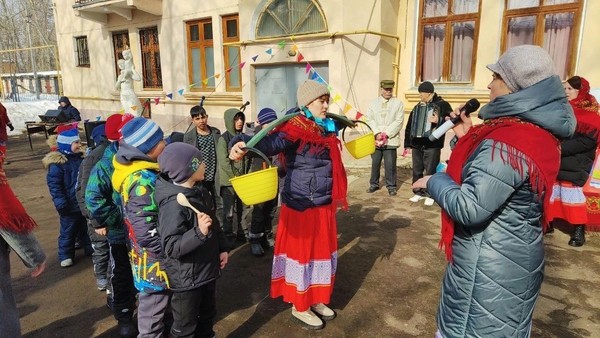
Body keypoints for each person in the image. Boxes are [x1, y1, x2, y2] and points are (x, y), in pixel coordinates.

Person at [412, 45, 575, 337]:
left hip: (488, 268)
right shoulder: (532, 132)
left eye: (496, 76)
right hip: (512, 258)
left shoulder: (508, 141)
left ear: (514, 87)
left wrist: (434, 181)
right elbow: (494, 177)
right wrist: (466, 135)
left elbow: (470, 207)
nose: (488, 84)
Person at [229, 80, 348, 330]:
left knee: (320, 255)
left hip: (322, 202)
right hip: (301, 203)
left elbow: (348, 125)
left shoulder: (326, 126)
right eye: (320, 101)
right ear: (307, 103)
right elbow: (269, 143)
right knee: (303, 255)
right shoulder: (294, 126)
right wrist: (242, 144)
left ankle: (315, 298)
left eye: (327, 100)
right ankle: (300, 305)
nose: (326, 105)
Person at [155, 142, 229, 338]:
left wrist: (222, 248)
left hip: (207, 271)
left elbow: (214, 223)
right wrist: (198, 233)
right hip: (186, 279)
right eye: (200, 163)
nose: (205, 165)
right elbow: (171, 246)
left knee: (207, 315)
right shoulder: (173, 205)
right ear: (187, 170)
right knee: (185, 326)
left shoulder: (200, 191)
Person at [111, 117, 171, 337]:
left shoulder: (139, 172)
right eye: (161, 140)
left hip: (146, 257)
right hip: (154, 261)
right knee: (152, 316)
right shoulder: (142, 181)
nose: (165, 143)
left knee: (157, 311)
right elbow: (145, 230)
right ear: (149, 147)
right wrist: (167, 252)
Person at [86, 113, 137, 337]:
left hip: (144, 233)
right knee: (122, 275)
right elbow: (93, 199)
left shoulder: (142, 156)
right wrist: (119, 217)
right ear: (119, 138)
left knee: (146, 273)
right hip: (120, 234)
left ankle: (150, 311)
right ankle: (124, 315)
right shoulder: (106, 165)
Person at [547, 76, 600, 246]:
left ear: (580, 91)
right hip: (557, 158)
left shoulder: (591, 113)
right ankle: (548, 223)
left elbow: (589, 141)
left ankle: (579, 229)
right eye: (565, 89)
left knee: (572, 196)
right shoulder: (562, 109)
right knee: (552, 193)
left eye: (570, 89)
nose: (566, 92)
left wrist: (561, 148)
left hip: (577, 161)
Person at [43, 128, 92, 267]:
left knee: (86, 228)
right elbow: (55, 186)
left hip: (82, 202)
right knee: (68, 231)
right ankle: (65, 254)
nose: (79, 145)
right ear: (65, 145)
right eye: (75, 142)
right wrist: (60, 202)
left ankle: (89, 248)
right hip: (68, 205)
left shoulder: (81, 159)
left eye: (78, 142)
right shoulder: (57, 165)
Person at [75, 124, 111, 291]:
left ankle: (109, 277)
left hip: (108, 212)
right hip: (97, 215)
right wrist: (94, 219)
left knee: (110, 249)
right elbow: (84, 191)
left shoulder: (102, 154)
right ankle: (101, 276)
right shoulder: (94, 159)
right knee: (101, 248)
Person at [404, 81, 452, 206]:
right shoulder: (417, 106)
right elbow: (410, 125)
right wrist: (408, 144)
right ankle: (418, 192)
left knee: (431, 169)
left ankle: (431, 193)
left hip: (432, 144)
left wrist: (439, 120)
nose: (419, 95)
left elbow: (451, 122)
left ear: (428, 92)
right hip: (417, 144)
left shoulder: (443, 105)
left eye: (421, 93)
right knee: (417, 169)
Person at [217, 107, 251, 247]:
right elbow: (224, 162)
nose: (240, 122)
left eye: (241, 118)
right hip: (229, 183)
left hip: (242, 181)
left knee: (244, 209)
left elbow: (247, 157)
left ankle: (243, 233)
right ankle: (228, 237)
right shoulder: (223, 139)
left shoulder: (243, 137)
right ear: (229, 121)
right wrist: (235, 177)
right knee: (229, 212)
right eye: (236, 119)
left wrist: (245, 175)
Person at [364, 80, 405, 196]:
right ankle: (374, 184)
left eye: (390, 89)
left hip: (390, 139)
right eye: (386, 89)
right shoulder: (373, 103)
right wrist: (377, 133)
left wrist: (386, 134)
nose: (388, 92)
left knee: (390, 164)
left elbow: (399, 121)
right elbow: (369, 119)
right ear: (381, 89)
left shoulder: (398, 104)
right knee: (375, 163)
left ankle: (391, 186)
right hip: (376, 139)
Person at [248, 108, 279, 257]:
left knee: (271, 210)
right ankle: (255, 240)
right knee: (259, 211)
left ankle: (266, 237)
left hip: (274, 178)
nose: (271, 126)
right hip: (260, 179)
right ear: (262, 124)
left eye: (273, 122)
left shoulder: (278, 137)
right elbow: (242, 141)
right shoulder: (257, 138)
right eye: (268, 123)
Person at [183, 104, 222, 219]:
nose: (201, 121)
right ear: (193, 120)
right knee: (204, 204)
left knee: (220, 204)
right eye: (197, 118)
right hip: (200, 176)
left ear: (207, 117)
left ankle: (222, 230)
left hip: (216, 174)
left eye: (203, 117)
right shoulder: (188, 137)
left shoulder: (215, 132)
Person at [115, 49, 142, 116]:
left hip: (130, 94)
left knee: (134, 110)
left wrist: (132, 70)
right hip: (123, 95)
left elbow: (138, 78)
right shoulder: (120, 76)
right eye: (119, 64)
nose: (120, 65)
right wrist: (119, 81)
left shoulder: (129, 74)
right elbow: (117, 87)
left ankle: (136, 122)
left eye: (122, 64)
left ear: (125, 64)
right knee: (126, 111)